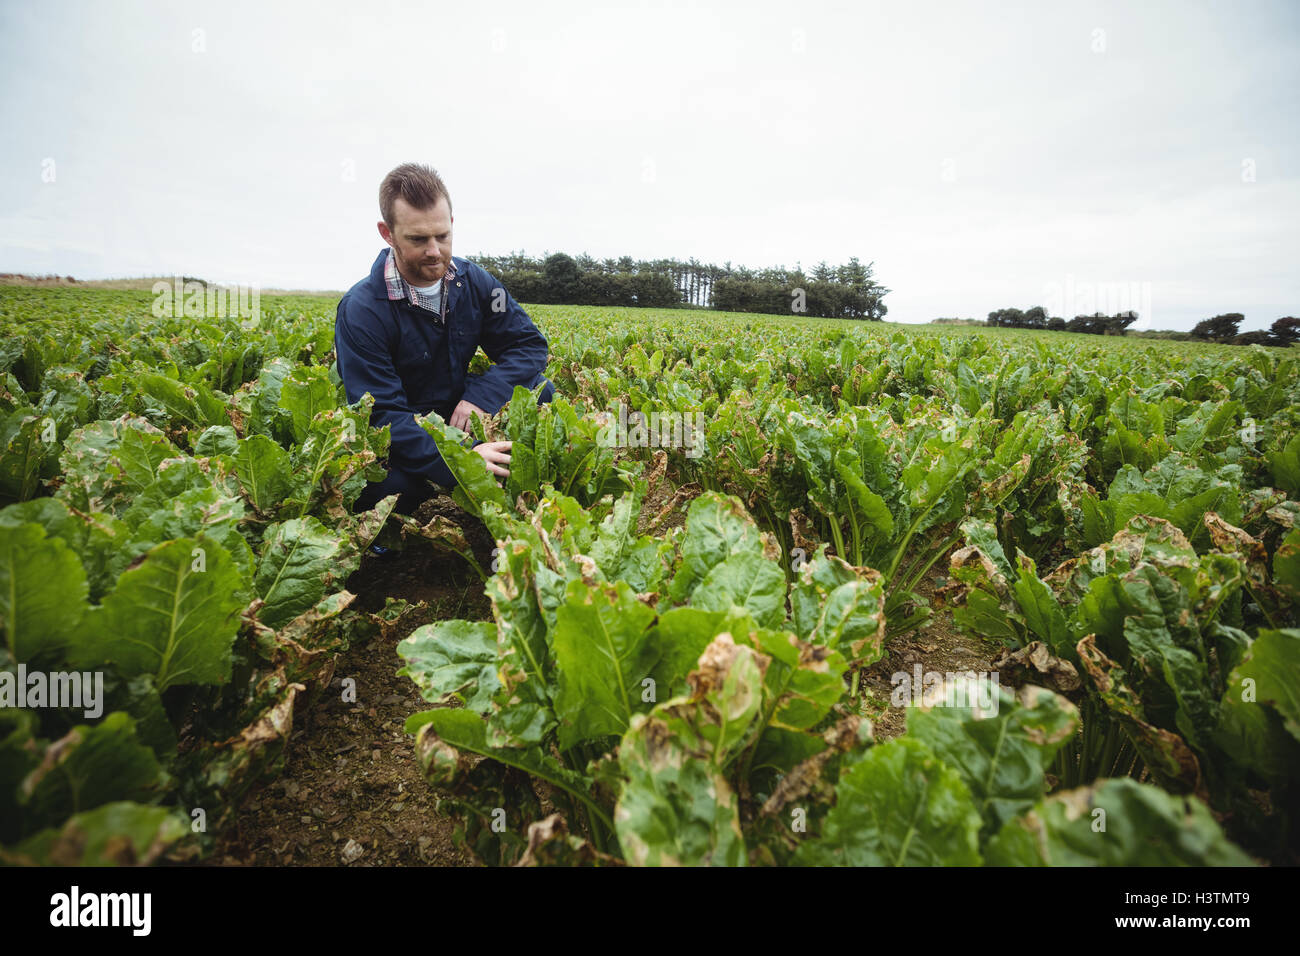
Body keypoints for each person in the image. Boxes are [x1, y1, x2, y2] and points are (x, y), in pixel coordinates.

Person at [335, 162, 556, 516]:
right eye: (418, 239)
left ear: (452, 223)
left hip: (457, 408)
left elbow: (528, 346)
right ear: (387, 233)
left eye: (442, 236)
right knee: (386, 489)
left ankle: (525, 492)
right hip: (407, 425)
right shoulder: (363, 309)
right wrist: (462, 459)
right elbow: (382, 416)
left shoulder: (474, 283)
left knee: (541, 391)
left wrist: (480, 398)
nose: (435, 251)